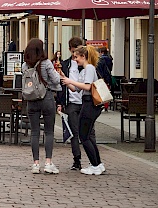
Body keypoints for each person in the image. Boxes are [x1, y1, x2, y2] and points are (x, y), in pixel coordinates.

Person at [60, 45, 106, 175]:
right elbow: (75, 89)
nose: (75, 60)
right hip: (87, 103)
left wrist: (71, 81)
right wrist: (65, 79)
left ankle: (95, 165)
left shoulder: (90, 68)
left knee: (84, 135)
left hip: (90, 104)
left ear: (83, 56)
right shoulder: (84, 70)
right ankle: (98, 163)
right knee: (87, 134)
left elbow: (87, 86)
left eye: (76, 57)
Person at [22, 38, 61, 174]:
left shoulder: (25, 65)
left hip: (31, 100)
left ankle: (35, 164)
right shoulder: (46, 63)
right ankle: (48, 163)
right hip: (47, 98)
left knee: (34, 132)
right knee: (49, 131)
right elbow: (56, 80)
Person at [57, 36, 93, 171]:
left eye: (76, 52)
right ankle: (76, 159)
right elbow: (64, 85)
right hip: (71, 102)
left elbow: (89, 85)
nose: (74, 56)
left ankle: (93, 160)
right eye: (72, 52)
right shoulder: (65, 64)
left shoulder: (88, 65)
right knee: (74, 132)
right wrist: (60, 102)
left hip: (86, 102)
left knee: (89, 132)